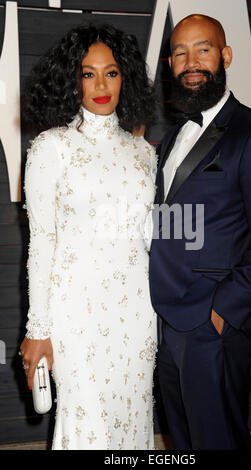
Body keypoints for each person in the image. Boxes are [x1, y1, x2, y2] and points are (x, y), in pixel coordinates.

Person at [149, 14, 251, 450]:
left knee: (218, 440)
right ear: (170, 65)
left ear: (226, 55)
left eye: (203, 49)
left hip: (213, 324)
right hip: (167, 319)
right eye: (180, 53)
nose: (190, 61)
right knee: (183, 440)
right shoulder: (174, 136)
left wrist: (223, 311)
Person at [20, 24, 157, 450]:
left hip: (138, 315)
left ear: (125, 78)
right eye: (88, 73)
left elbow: (151, 241)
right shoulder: (50, 148)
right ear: (71, 80)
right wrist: (37, 328)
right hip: (74, 318)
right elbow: (41, 242)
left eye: (111, 73)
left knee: (134, 419)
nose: (101, 85)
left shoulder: (144, 154)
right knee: (88, 428)